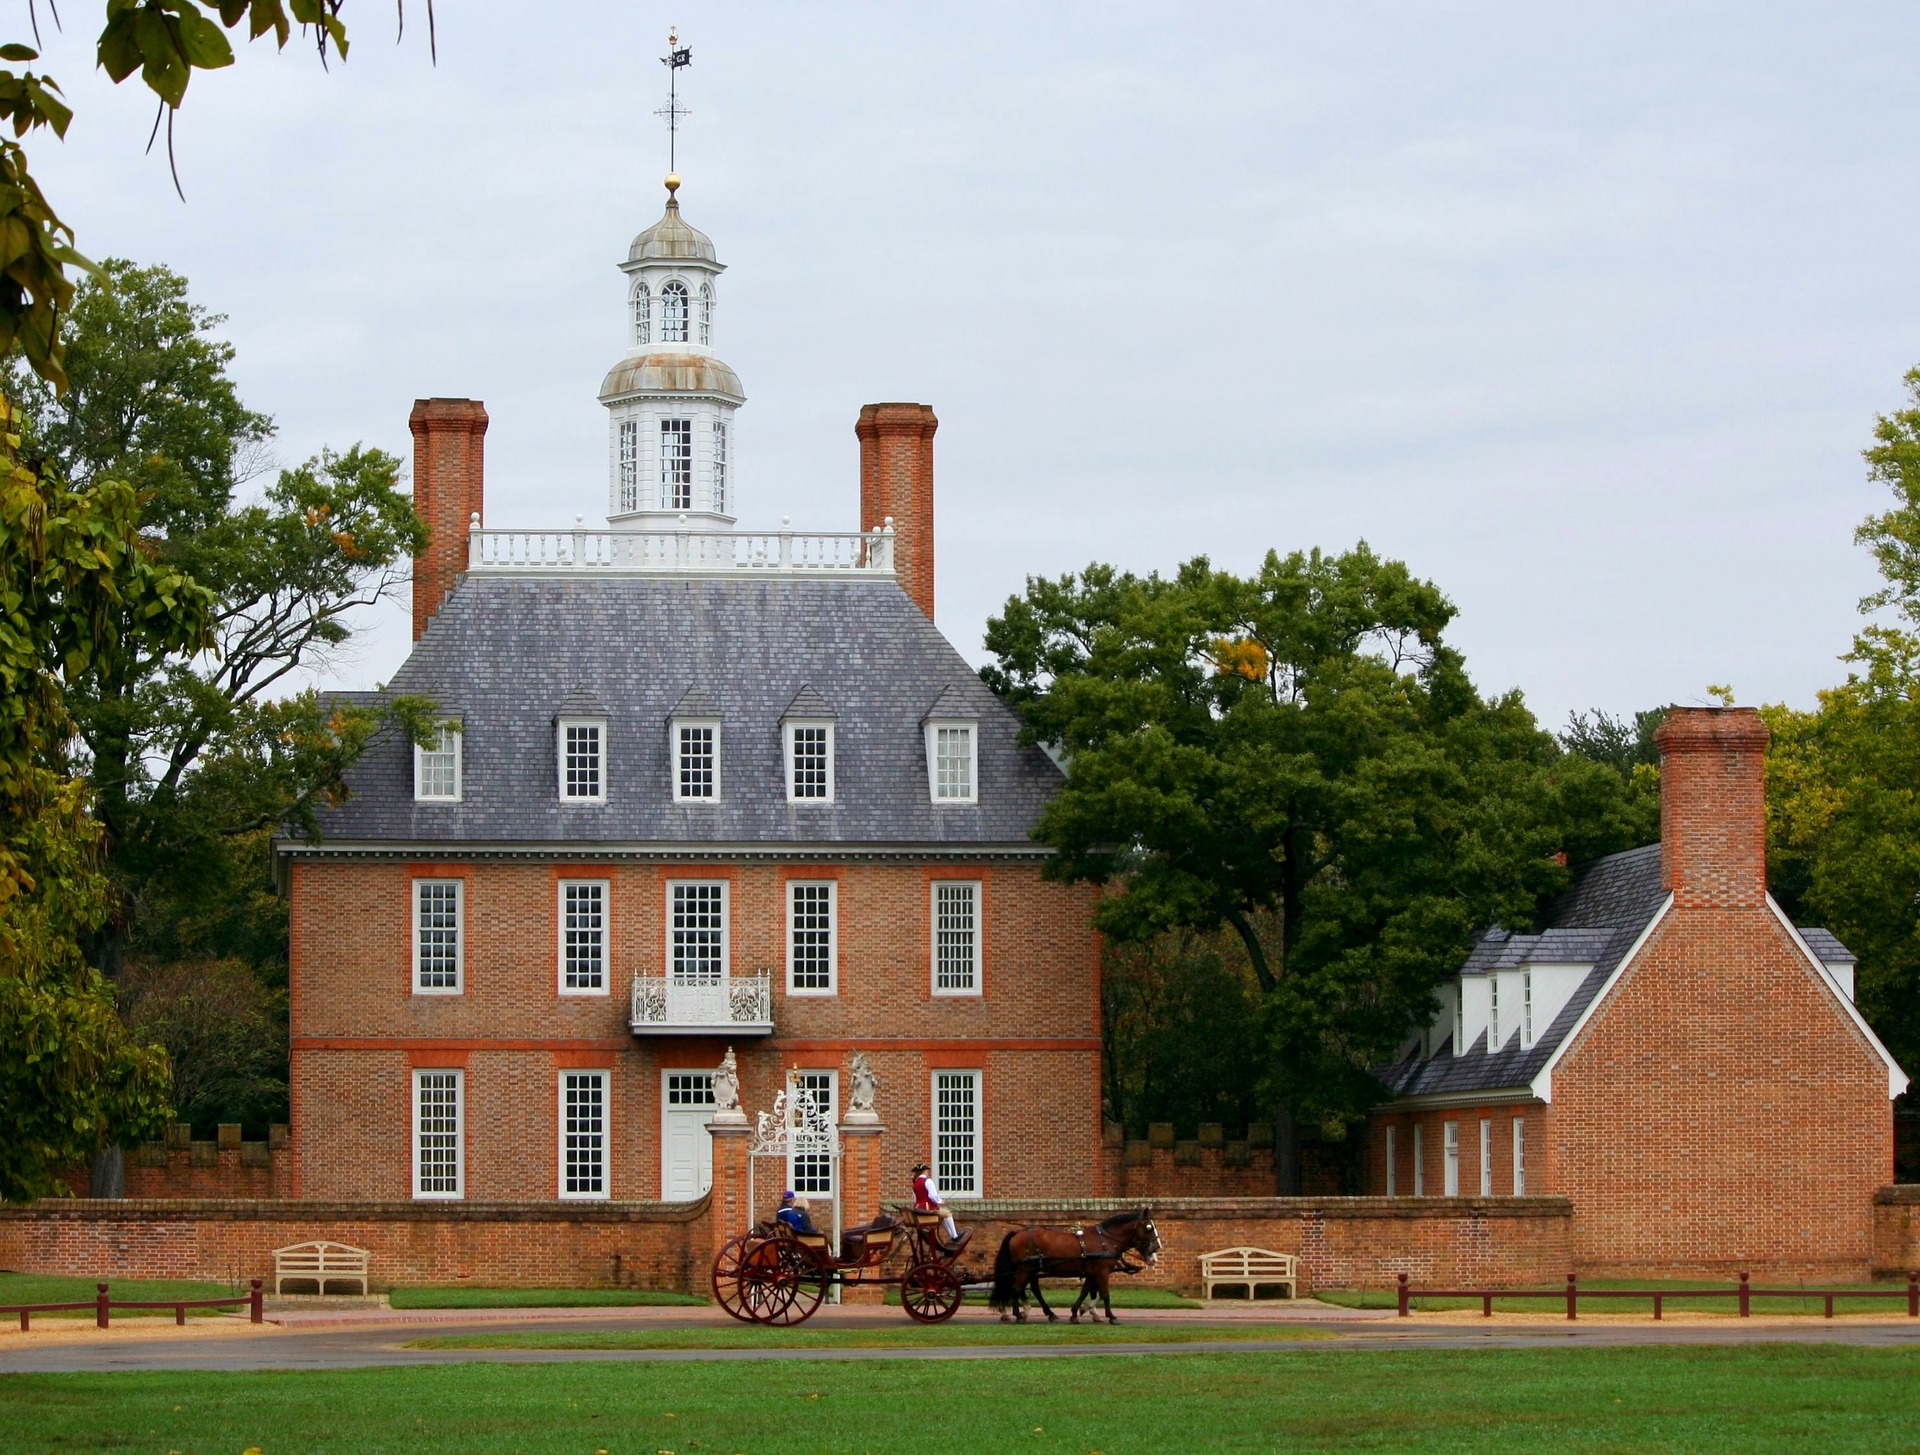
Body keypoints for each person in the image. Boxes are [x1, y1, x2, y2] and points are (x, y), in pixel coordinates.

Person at [912, 1162, 959, 1246]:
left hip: (919, 1210)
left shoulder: (915, 1184)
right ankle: (955, 1236)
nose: (927, 1172)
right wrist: (940, 1201)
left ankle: (952, 1235)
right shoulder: (928, 1181)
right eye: (927, 1171)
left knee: (942, 1216)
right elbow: (933, 1196)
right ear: (924, 1171)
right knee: (948, 1214)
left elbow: (915, 1199)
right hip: (928, 1210)